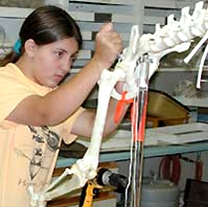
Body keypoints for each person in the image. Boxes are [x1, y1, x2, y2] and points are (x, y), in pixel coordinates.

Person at [0, 5, 130, 207]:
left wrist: (123, 93)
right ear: (31, 47)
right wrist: (99, 62)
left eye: (71, 58)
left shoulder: (51, 95)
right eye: (59, 54)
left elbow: (96, 126)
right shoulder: (4, 82)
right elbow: (45, 112)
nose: (66, 67)